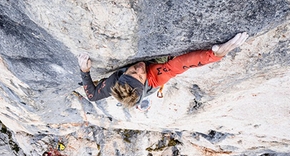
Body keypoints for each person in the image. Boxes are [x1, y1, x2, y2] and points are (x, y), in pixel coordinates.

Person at [78, 32, 248, 108]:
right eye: (139, 75)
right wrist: (215, 55)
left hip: (129, 88)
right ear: (145, 82)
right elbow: (181, 64)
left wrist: (84, 71)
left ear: (123, 75)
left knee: (129, 97)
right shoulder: (154, 79)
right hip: (147, 88)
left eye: (132, 72)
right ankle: (141, 102)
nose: (139, 68)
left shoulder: (113, 84)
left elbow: (92, 96)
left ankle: (135, 102)